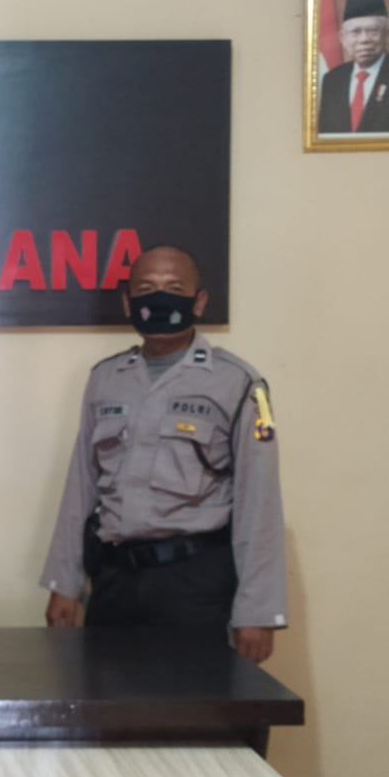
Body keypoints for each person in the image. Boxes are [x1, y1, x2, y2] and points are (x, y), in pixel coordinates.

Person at [39, 245, 285, 663]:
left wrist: (258, 611)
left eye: (174, 289)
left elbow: (259, 501)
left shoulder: (238, 382)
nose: (159, 298)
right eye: (146, 289)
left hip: (194, 584)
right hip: (114, 579)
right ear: (127, 302)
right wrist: (65, 582)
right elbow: (81, 485)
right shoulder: (106, 378)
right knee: (106, 700)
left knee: (195, 703)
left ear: (199, 301)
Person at [318, 0, 389, 134]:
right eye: (355, 32)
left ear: (387, 34)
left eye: (373, 31)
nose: (364, 39)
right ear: (343, 38)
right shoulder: (332, 80)